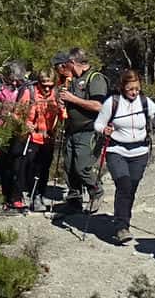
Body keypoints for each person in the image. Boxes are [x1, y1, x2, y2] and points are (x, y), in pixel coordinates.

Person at [94, 70, 155, 245]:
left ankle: (123, 220)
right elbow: (98, 124)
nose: (134, 92)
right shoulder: (112, 102)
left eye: (137, 88)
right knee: (124, 185)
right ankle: (122, 227)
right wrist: (104, 130)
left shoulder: (145, 102)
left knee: (131, 187)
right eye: (130, 89)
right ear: (123, 87)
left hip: (140, 152)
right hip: (116, 150)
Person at [58, 47, 108, 212]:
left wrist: (73, 99)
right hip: (72, 129)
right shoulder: (73, 80)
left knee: (82, 167)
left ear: (72, 62)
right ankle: (74, 200)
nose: (64, 67)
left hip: (89, 130)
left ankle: (96, 192)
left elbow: (98, 105)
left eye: (66, 63)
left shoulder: (95, 78)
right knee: (69, 167)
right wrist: (64, 102)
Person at [13, 71, 64, 212]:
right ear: (38, 83)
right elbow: (16, 114)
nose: (47, 89)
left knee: (44, 168)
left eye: (50, 86)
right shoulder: (29, 93)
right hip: (31, 137)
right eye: (44, 85)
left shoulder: (56, 95)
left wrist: (62, 109)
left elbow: (62, 116)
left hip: (48, 138)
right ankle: (33, 196)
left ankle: (40, 194)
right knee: (31, 168)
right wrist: (25, 124)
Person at [0, 63, 29, 208]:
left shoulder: (23, 89)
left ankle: (12, 196)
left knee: (13, 165)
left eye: (18, 79)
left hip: (15, 131)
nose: (15, 82)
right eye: (13, 79)